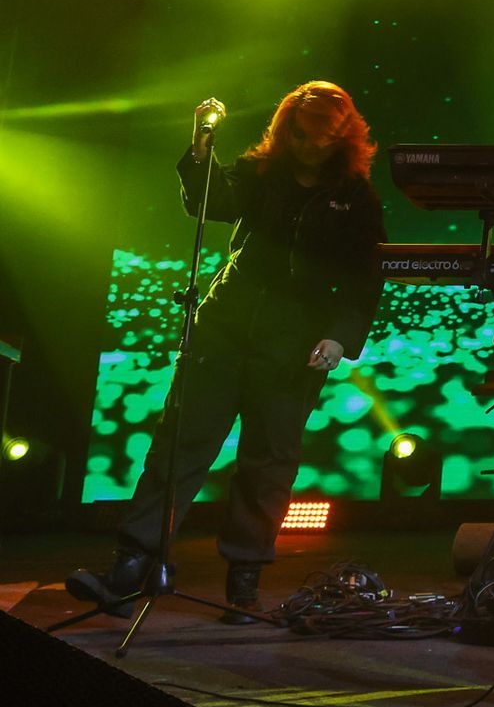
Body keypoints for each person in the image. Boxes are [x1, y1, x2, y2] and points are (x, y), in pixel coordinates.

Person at [67, 82, 386, 621]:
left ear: (343, 138)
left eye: (323, 138)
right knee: (179, 445)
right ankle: (131, 566)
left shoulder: (356, 197)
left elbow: (365, 275)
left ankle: (244, 582)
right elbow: (208, 202)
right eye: (301, 135)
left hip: (294, 339)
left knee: (269, 460)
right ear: (286, 130)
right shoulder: (259, 171)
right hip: (225, 324)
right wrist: (200, 146)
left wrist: (339, 336)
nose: (310, 147)